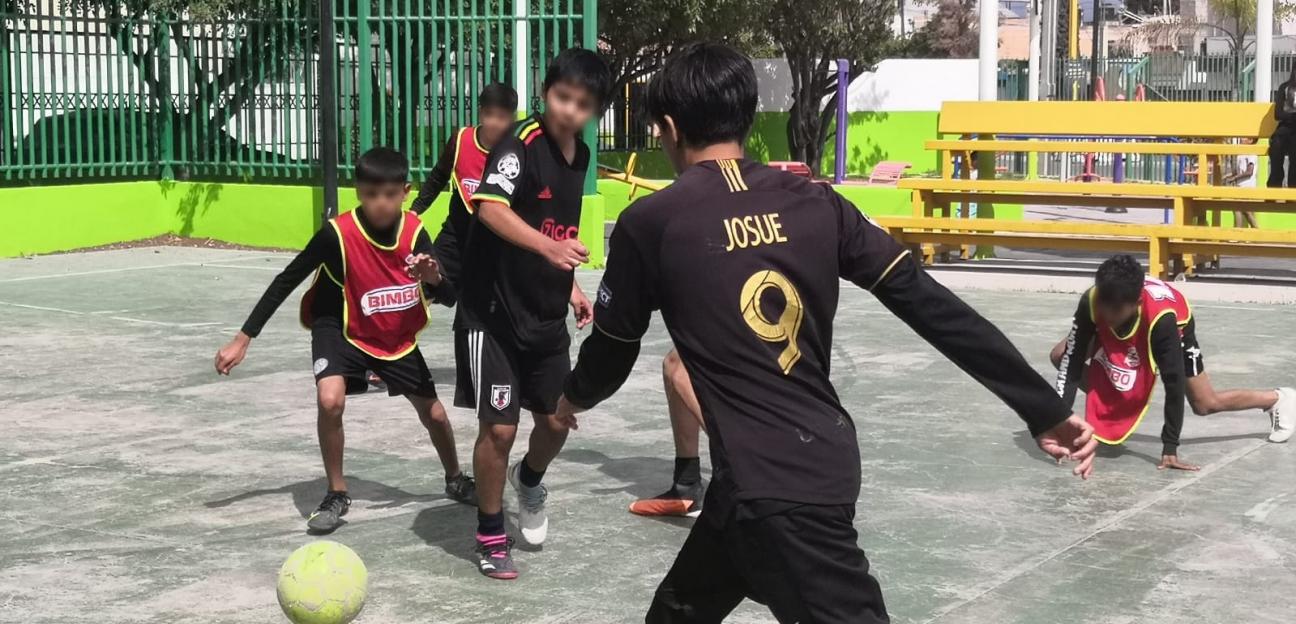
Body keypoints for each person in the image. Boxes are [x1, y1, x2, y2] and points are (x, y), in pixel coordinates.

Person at [553, 43, 1098, 623]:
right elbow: (933, 307)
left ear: (667, 127)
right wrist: (1040, 406)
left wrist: (569, 399)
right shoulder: (817, 203)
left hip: (781, 495)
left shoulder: (650, 222)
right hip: (791, 471)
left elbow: (611, 353)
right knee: (676, 612)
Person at [213, 148, 477, 534]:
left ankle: (454, 478)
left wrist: (432, 278)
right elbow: (286, 279)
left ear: (405, 191)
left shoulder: (415, 234)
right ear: (358, 191)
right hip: (338, 326)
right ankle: (336, 492)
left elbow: (451, 296)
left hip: (389, 332)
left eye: (389, 194)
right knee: (330, 399)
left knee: (434, 413)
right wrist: (243, 338)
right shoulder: (337, 234)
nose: (380, 203)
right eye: (370, 194)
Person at [458, 48, 611, 579]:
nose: (569, 110)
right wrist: (548, 253)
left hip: (546, 311)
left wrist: (571, 287)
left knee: (557, 419)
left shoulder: (582, 155)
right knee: (498, 429)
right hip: (493, 314)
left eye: (583, 103)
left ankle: (530, 478)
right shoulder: (518, 146)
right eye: (562, 96)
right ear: (546, 91)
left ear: (595, 111)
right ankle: (490, 531)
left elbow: (557, 228)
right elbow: (491, 208)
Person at [1051, 254, 1295, 470]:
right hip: (1128, 320)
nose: (1107, 314)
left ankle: (1278, 399)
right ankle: (1114, 409)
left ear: (1136, 304)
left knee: (1204, 403)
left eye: (1115, 309)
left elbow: (1174, 384)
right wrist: (1057, 422)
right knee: (1060, 355)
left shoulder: (1164, 322)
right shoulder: (1094, 300)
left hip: (1169, 324)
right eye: (1103, 305)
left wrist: (1170, 447)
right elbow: (1071, 361)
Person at [354, 85, 520, 392]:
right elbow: (437, 179)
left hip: (498, 243)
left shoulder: (517, 149)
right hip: (457, 238)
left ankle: (512, 365)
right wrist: (415, 212)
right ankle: (380, 357)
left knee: (503, 305)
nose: (496, 123)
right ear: (480, 114)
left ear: (512, 119)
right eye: (490, 115)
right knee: (417, 291)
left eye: (503, 117)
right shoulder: (460, 141)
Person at [1269, 66, 1296, 188]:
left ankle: (1293, 186)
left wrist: (1289, 114)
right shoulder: (1284, 88)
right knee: (1276, 143)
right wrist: (1292, 116)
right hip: (1285, 128)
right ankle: (1275, 182)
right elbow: (1277, 114)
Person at [1226, 138, 1259, 228]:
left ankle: (1257, 232)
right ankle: (1238, 233)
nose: (1241, 139)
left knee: (1247, 212)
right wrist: (1228, 176)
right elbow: (1240, 171)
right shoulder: (1241, 153)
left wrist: (1235, 177)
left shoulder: (1251, 153)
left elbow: (1249, 172)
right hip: (1240, 185)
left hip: (1248, 186)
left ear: (1250, 141)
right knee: (1237, 209)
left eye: (1245, 138)